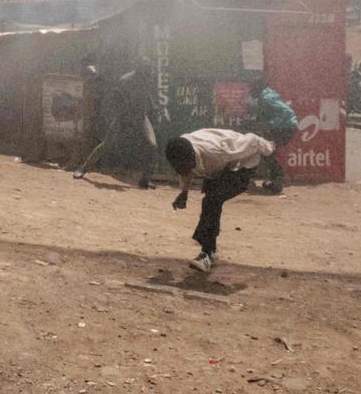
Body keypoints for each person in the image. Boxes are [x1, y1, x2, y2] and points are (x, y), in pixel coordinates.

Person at [164, 129, 275, 273]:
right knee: (211, 199)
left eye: (184, 166)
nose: (181, 170)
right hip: (221, 168)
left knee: (212, 200)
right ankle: (211, 250)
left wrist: (269, 148)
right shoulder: (180, 150)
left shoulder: (218, 153)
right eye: (177, 167)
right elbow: (185, 171)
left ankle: (207, 254)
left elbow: (252, 141)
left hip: (244, 164)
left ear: (192, 156)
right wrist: (184, 192)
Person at [74, 58, 159, 188]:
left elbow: (146, 94)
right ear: (140, 70)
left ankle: (144, 180)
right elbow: (117, 101)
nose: (150, 73)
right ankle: (83, 168)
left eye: (150, 71)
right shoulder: (126, 81)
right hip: (123, 117)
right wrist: (125, 117)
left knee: (152, 145)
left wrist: (152, 107)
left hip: (141, 117)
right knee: (107, 144)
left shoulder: (147, 78)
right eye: (148, 70)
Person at [249, 80, 298, 194]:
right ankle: (276, 180)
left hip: (285, 127)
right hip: (284, 127)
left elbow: (286, 111)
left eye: (252, 89)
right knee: (269, 152)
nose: (251, 92)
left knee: (268, 152)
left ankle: (278, 180)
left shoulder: (266, 98)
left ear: (258, 88)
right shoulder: (265, 97)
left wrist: (271, 125)